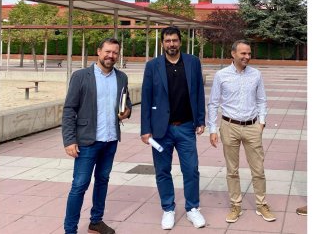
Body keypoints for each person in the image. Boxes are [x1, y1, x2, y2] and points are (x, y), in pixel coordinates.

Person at [62, 37, 132, 234]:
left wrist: (126, 111)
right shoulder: (81, 76)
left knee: (102, 180)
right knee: (79, 185)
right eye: (107, 51)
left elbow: (126, 103)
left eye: (115, 53)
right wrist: (69, 140)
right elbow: (69, 110)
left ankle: (96, 221)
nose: (111, 56)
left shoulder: (121, 77)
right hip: (87, 141)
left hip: (110, 140)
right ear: (99, 51)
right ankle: (70, 229)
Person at [141, 26, 206, 230]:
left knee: (191, 170)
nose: (171, 44)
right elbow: (146, 98)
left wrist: (201, 119)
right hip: (161, 130)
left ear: (180, 42)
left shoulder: (193, 62)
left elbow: (199, 92)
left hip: (186, 127)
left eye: (175, 40)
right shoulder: (153, 66)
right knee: (162, 171)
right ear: (162, 43)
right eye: (167, 40)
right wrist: (145, 129)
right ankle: (168, 209)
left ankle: (192, 209)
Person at [207, 39, 276, 223]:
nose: (247, 57)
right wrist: (212, 129)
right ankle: (236, 205)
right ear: (233, 54)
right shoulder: (221, 75)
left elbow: (262, 100)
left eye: (249, 53)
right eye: (243, 53)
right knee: (232, 170)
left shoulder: (256, 75)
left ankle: (262, 204)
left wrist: (261, 122)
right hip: (229, 126)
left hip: (252, 126)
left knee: (258, 169)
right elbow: (213, 103)